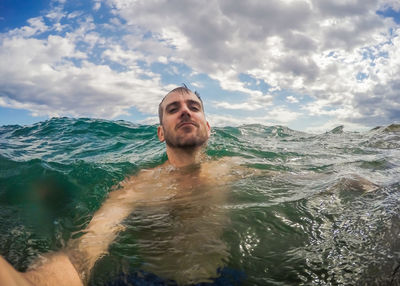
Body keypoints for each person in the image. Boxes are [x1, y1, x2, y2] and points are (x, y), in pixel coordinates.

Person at [0, 86, 241, 286]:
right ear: (160, 133)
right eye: (173, 109)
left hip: (225, 275)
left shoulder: (230, 168)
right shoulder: (141, 185)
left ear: (208, 127)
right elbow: (91, 242)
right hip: (154, 279)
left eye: (194, 107)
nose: (185, 112)